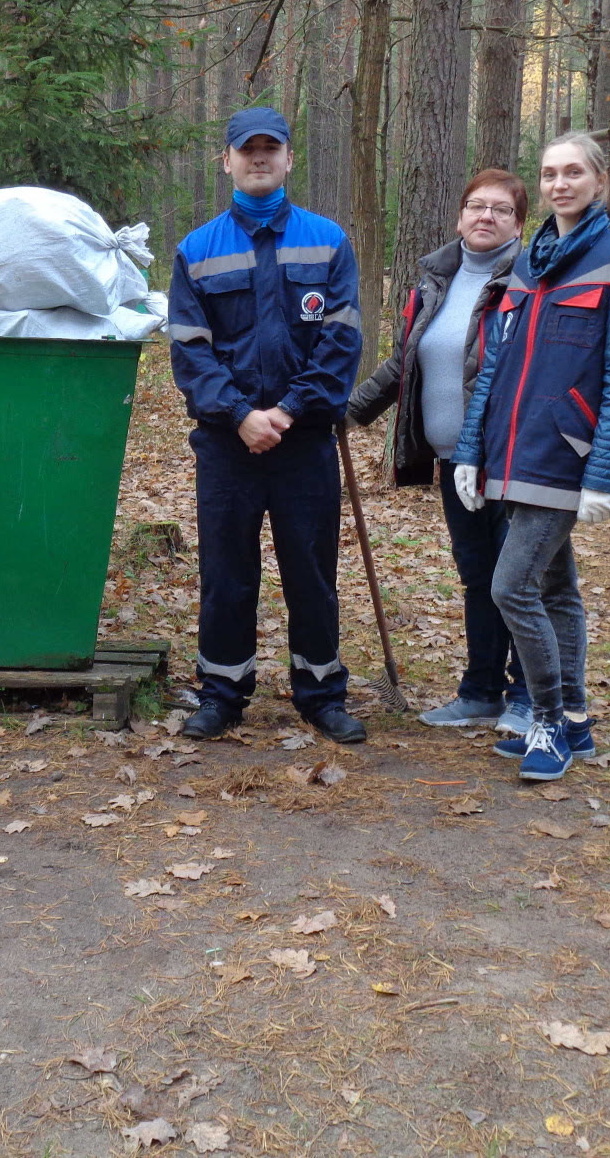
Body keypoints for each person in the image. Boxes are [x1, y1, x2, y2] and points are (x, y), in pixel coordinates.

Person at [452, 132, 610, 782]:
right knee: (557, 590)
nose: (560, 184)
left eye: (572, 172)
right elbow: (493, 367)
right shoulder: (528, 264)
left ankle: (546, 722)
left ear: (599, 181)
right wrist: (469, 451)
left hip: (564, 460)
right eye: (549, 173)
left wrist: (605, 474)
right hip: (513, 456)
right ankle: (577, 717)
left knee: (510, 587)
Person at [167, 106, 367, 743]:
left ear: (287, 159)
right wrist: (239, 414)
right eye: (245, 150)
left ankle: (321, 692)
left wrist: (284, 412)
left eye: (270, 149)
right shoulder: (196, 250)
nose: (258, 159)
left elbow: (340, 342)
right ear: (225, 160)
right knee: (227, 573)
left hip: (303, 441)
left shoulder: (328, 240)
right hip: (227, 445)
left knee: (310, 570)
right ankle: (222, 690)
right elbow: (189, 349)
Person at [348, 168, 531, 732]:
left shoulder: (529, 281)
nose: (486, 217)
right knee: (478, 575)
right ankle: (481, 692)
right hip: (455, 463)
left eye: (501, 209)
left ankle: (529, 697)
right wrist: (350, 409)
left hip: (512, 458)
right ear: (459, 216)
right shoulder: (438, 280)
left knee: (519, 580)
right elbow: (407, 359)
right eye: (476, 205)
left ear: (519, 223)